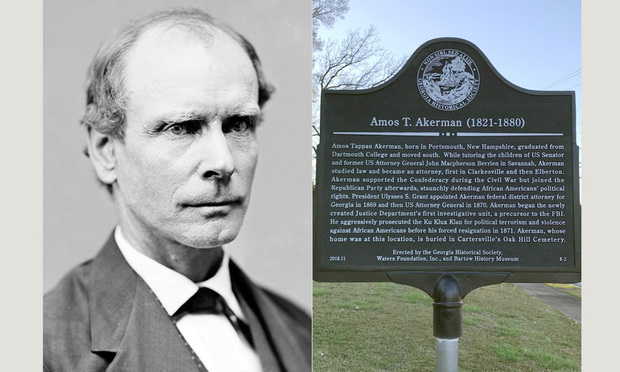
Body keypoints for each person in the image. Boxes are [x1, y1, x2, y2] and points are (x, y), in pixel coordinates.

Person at [43, 8, 311, 372]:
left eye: (238, 124)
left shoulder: (301, 331)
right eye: (182, 127)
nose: (224, 161)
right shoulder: (40, 349)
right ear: (106, 151)